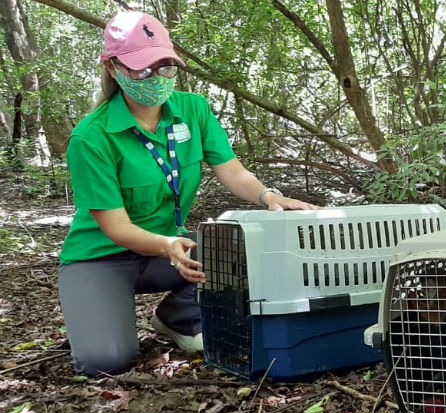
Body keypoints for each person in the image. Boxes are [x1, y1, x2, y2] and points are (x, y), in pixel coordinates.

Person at [58, 10, 318, 377]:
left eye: (164, 66)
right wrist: (168, 246)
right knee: (106, 360)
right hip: (101, 258)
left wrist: (268, 196)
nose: (155, 77)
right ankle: (103, 308)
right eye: (141, 69)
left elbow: (231, 170)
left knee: (240, 249)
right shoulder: (91, 136)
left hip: (167, 250)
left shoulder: (192, 110)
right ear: (114, 68)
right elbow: (115, 227)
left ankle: (177, 316)